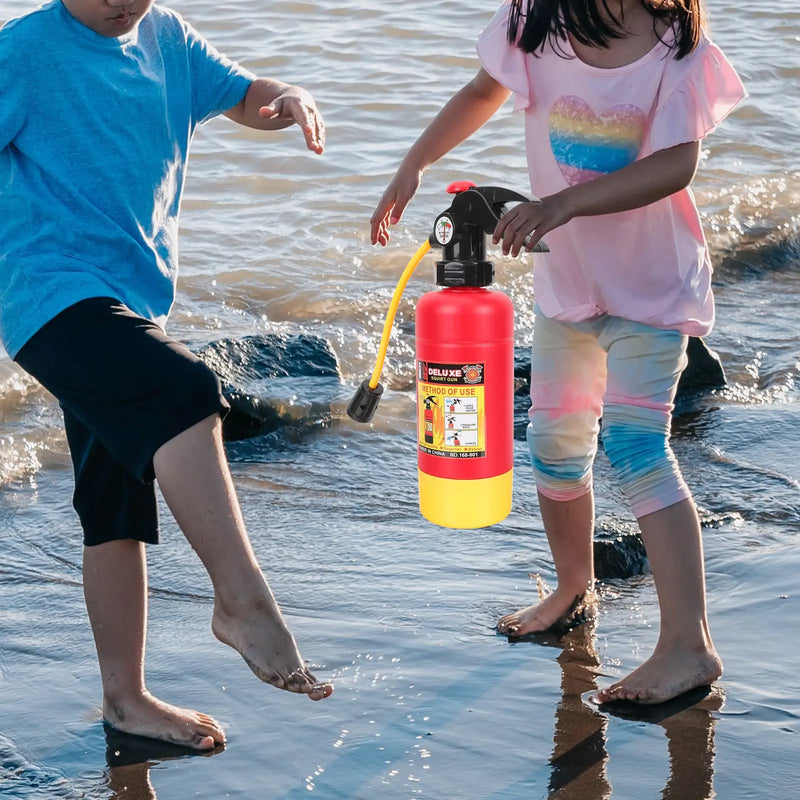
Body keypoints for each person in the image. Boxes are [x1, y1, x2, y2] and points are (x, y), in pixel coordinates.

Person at [370, 0, 745, 705]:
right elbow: (485, 89)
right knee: (554, 446)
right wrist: (415, 163)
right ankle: (575, 589)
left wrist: (565, 206)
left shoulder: (676, 45)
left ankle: (688, 645)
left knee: (636, 448)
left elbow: (676, 164)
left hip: (649, 288)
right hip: (568, 287)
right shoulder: (536, 22)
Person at [0, 0, 333, 750]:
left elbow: (245, 95)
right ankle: (241, 601)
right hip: (46, 294)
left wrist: (288, 100)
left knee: (114, 498)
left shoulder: (168, 37)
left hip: (130, 300)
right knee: (183, 391)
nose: (124, 3)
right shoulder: (22, 53)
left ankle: (126, 700)